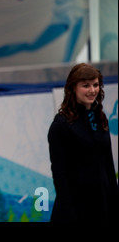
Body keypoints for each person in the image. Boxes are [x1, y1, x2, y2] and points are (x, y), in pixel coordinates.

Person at [47, 63, 118, 222]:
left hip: (103, 204)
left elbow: (108, 165)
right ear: (73, 88)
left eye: (95, 85)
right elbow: (60, 176)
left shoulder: (100, 118)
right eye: (86, 85)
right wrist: (70, 215)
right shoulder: (61, 125)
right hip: (76, 208)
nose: (92, 90)